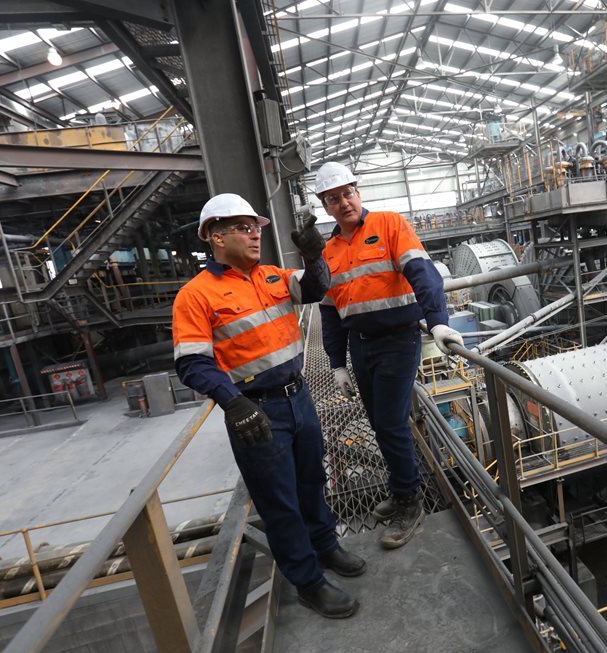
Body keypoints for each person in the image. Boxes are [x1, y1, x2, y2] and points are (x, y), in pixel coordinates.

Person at [172, 192, 364, 619]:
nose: (255, 234)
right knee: (280, 503)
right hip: (257, 412)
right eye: (244, 227)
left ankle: (325, 547)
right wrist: (233, 402)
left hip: (299, 398)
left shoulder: (272, 276)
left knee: (313, 480)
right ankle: (308, 582)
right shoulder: (196, 295)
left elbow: (316, 288)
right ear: (215, 237)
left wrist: (314, 254)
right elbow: (192, 363)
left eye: (256, 227)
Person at [315, 162, 464, 549]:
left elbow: (423, 274)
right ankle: (401, 491)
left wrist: (438, 323)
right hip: (360, 345)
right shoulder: (328, 251)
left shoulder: (389, 224)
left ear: (358, 192)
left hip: (398, 340)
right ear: (325, 206)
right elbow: (329, 314)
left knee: (391, 423)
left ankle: (410, 502)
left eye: (348, 193)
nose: (343, 202)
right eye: (334, 198)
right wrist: (335, 364)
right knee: (379, 423)